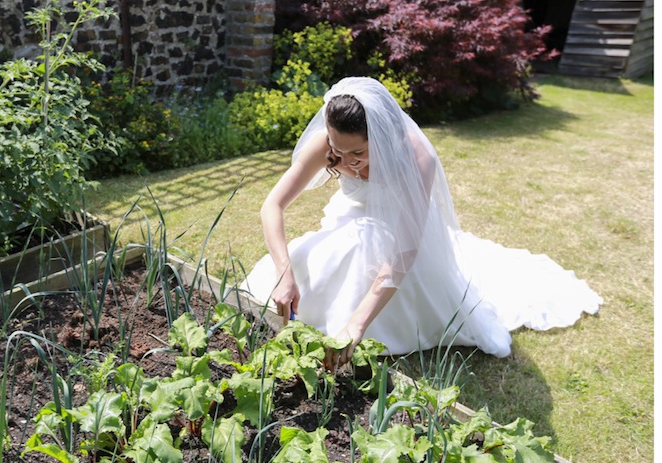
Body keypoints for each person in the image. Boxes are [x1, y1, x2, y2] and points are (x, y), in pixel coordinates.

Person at [242, 77, 601, 363]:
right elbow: (271, 205)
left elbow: (403, 252)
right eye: (337, 150)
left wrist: (357, 323)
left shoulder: (415, 158)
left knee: (365, 249)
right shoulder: (327, 144)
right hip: (346, 223)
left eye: (358, 153)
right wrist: (284, 273)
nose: (346, 161)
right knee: (317, 264)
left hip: (397, 237)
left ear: (384, 137)